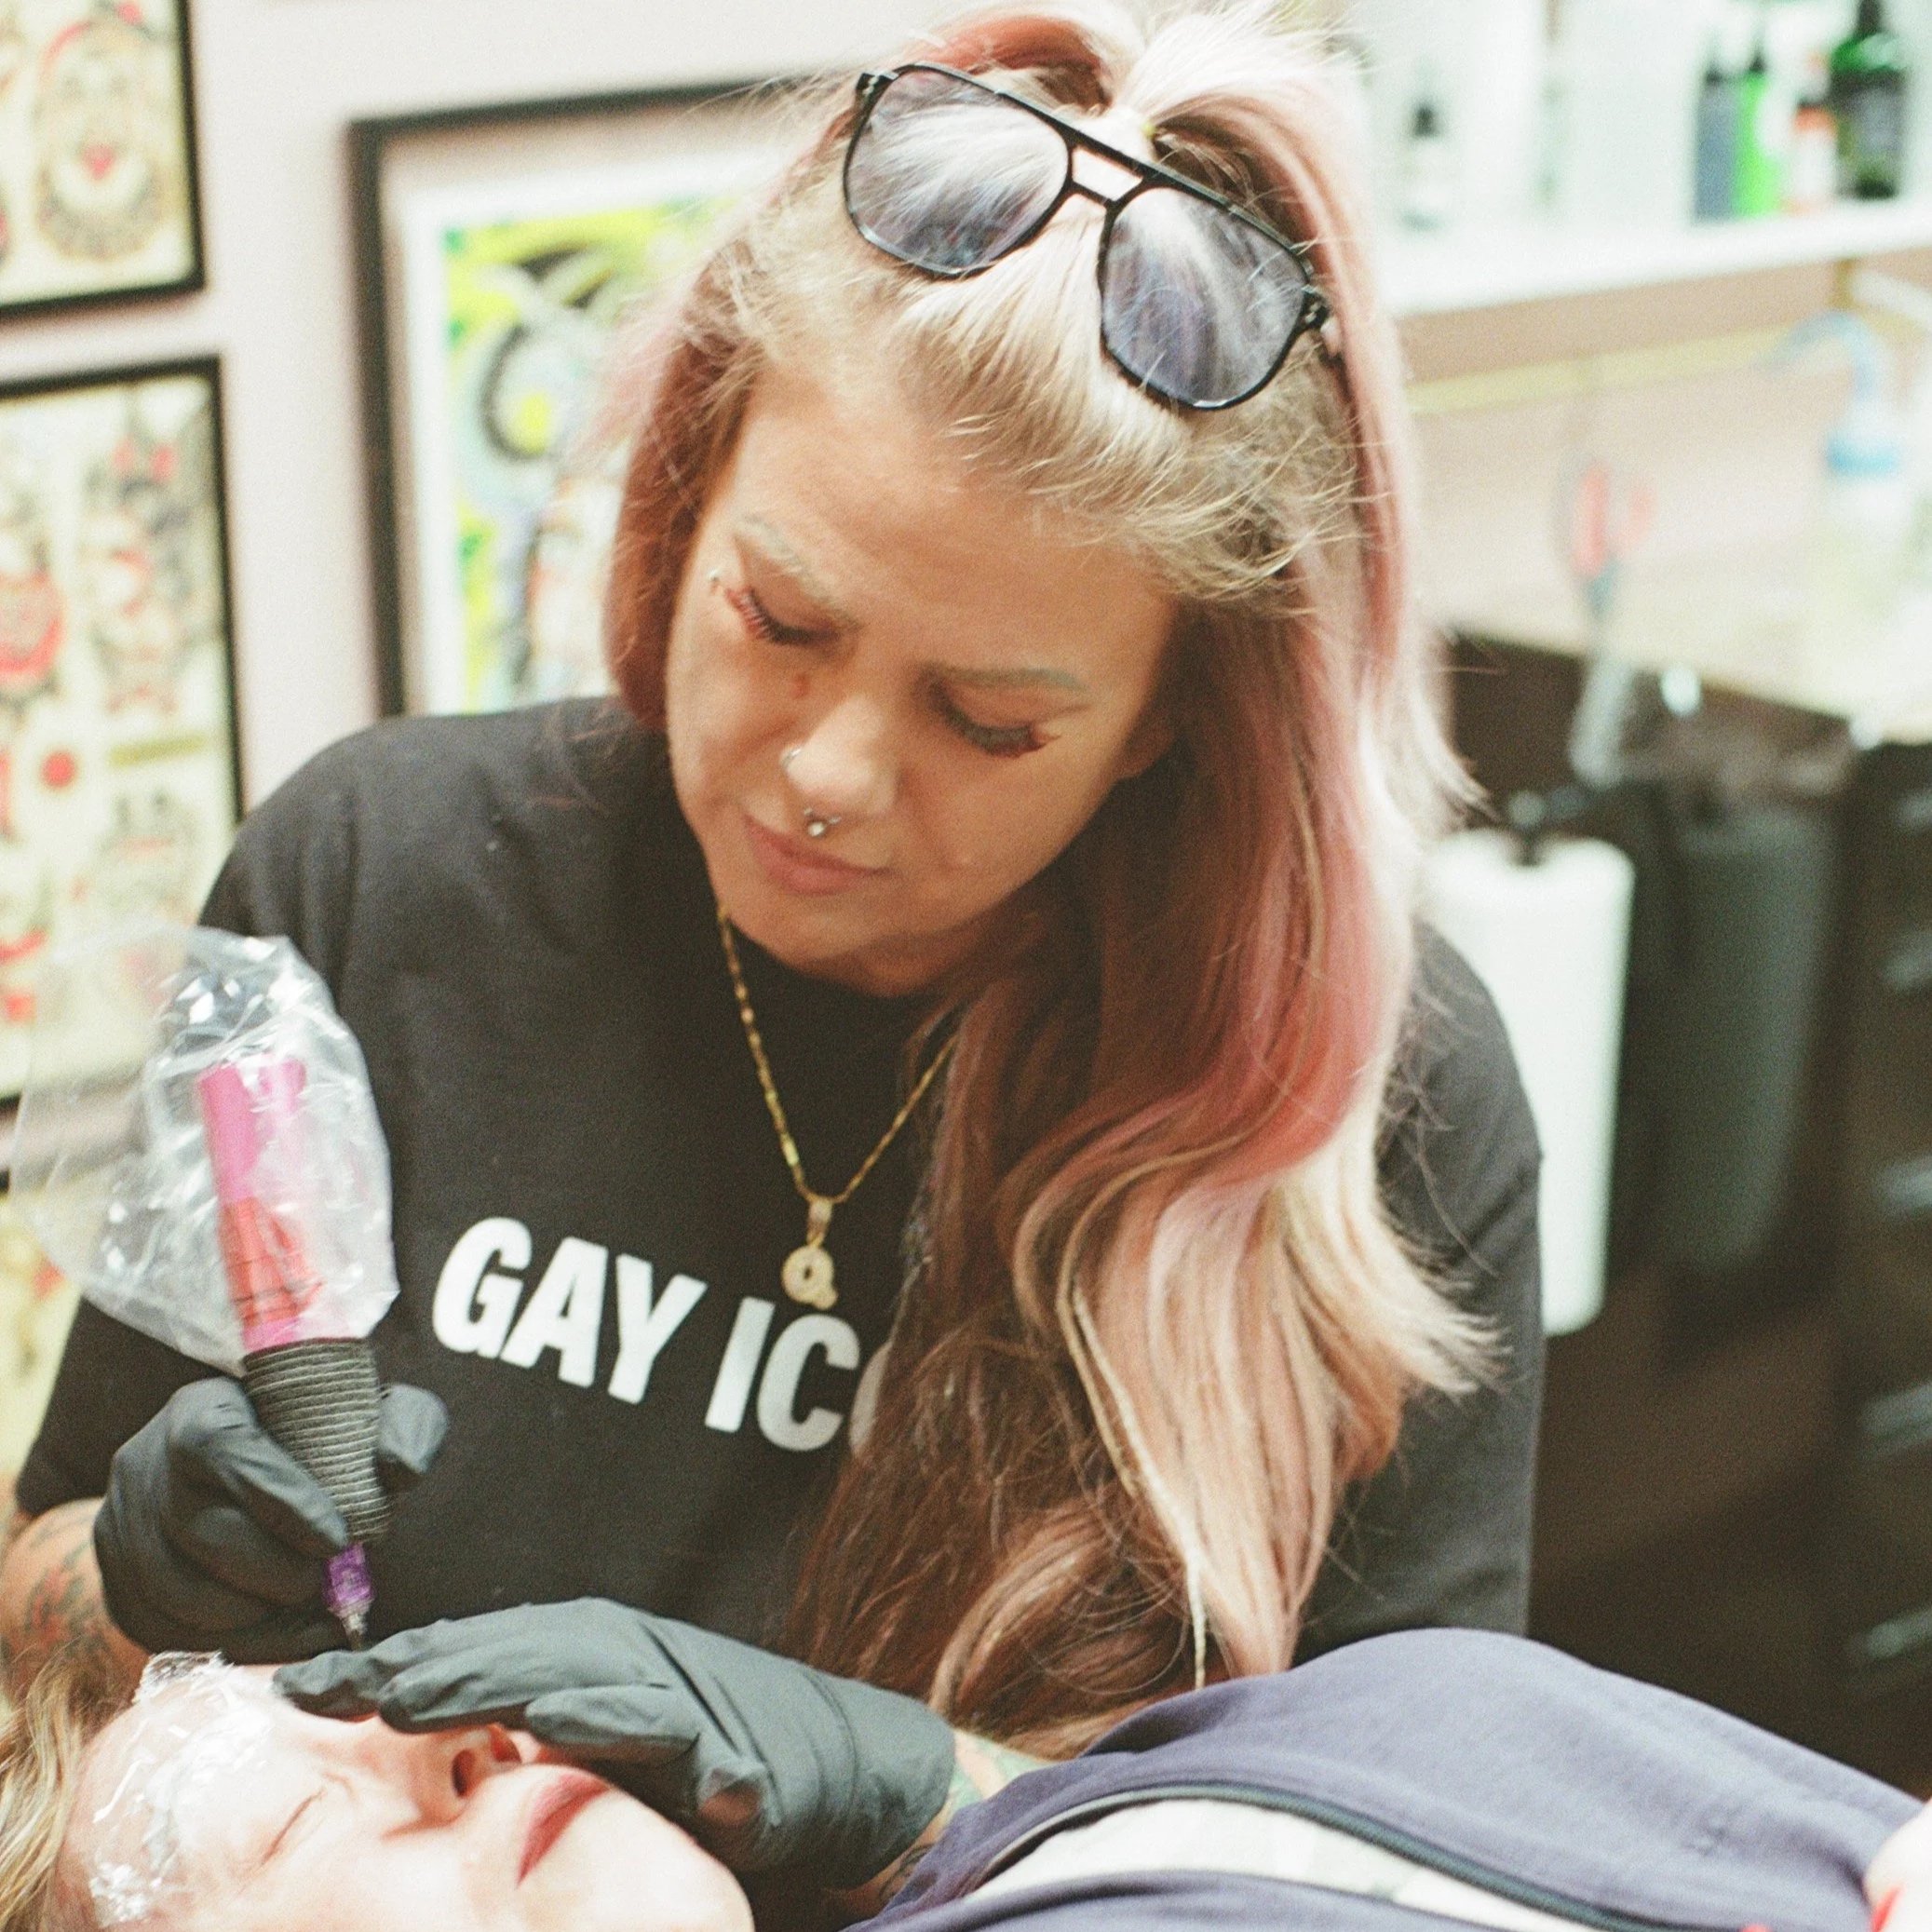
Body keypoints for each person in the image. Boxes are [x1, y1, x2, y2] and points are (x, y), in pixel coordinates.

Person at [1, 1, 1542, 1750]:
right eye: (780, 620)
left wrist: (927, 1800)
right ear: (688, 484)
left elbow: (1415, 1844)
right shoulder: (385, 882)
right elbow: (27, 1628)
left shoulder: (1366, 1109)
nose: (827, 776)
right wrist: (126, 1591)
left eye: (987, 722)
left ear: (1174, 722)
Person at [0, 1612, 1919, 1932]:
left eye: (370, 1694)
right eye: (284, 1809)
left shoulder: (1302, 1732)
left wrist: (938, 1787)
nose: (447, 1736)